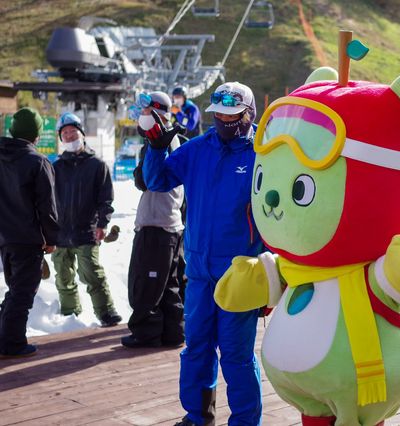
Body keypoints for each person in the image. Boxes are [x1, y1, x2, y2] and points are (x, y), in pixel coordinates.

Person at [143, 82, 263, 426]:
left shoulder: (263, 155)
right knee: (196, 348)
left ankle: (245, 422)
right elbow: (157, 180)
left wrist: (270, 273)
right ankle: (198, 417)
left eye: (232, 115)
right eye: (219, 115)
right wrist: (156, 147)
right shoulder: (198, 148)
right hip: (198, 272)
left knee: (237, 356)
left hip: (239, 275)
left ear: (249, 114)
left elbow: (275, 215)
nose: (224, 120)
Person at [121, 91, 186, 349]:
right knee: (167, 284)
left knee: (146, 283)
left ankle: (145, 333)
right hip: (168, 224)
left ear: (156, 114)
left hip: (157, 224)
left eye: (145, 113)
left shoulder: (162, 142)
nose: (141, 118)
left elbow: (146, 181)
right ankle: (173, 332)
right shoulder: (168, 141)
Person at [51, 112, 122, 327]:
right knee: (64, 278)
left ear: (82, 134)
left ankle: (106, 312)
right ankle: (70, 315)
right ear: (61, 139)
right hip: (60, 234)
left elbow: (105, 199)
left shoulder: (97, 166)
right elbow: (48, 202)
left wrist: (102, 224)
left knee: (93, 274)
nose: (70, 136)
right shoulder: (55, 168)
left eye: (73, 131)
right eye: (65, 133)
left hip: (86, 231)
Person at [0, 107, 59, 358]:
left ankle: (4, 337)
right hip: (27, 238)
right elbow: (46, 206)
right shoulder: (38, 162)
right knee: (22, 294)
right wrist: (51, 238)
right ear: (36, 135)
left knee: (15, 291)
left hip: (4, 238)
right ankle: (13, 344)